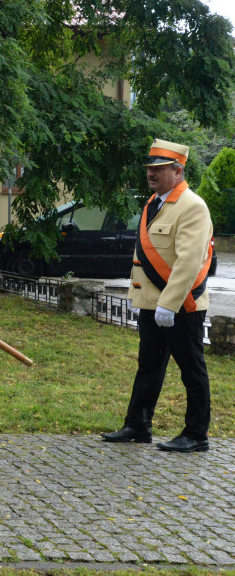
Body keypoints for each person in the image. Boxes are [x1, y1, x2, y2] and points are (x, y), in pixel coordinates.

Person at [103, 139, 213, 453]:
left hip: (180, 305)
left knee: (191, 369)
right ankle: (138, 425)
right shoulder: (154, 202)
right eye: (150, 169)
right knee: (148, 365)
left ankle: (196, 434)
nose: (152, 174)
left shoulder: (192, 206)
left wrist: (170, 303)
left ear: (178, 171)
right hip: (153, 303)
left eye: (159, 169)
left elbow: (189, 261)